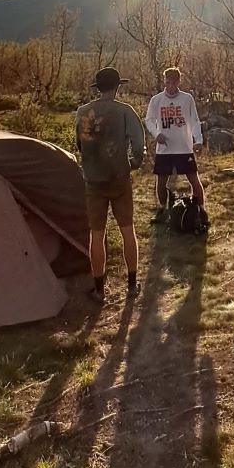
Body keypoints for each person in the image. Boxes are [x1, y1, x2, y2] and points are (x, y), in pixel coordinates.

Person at [75, 67, 146, 304]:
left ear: (98, 88)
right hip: (119, 178)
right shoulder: (125, 111)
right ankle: (132, 285)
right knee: (128, 230)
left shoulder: (83, 112)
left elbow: (79, 143)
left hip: (93, 180)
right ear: (117, 87)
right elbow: (138, 143)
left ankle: (99, 289)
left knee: (97, 235)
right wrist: (134, 162)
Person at [145, 67, 204, 223]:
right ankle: (162, 209)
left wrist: (198, 140)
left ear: (179, 81)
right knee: (161, 181)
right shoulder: (156, 100)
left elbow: (194, 120)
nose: (170, 85)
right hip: (165, 150)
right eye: (167, 82)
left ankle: (201, 210)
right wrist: (157, 134)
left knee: (193, 180)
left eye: (174, 82)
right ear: (164, 81)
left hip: (184, 148)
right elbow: (149, 120)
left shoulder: (187, 99)